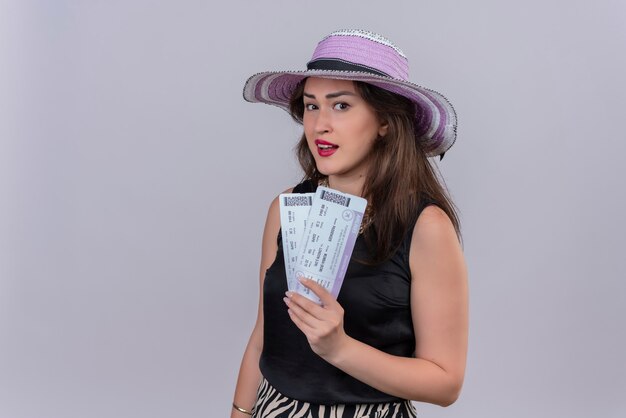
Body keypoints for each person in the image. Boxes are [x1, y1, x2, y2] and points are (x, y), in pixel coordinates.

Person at [231, 29, 468, 418]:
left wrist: (340, 348)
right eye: (311, 106)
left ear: (385, 122)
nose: (319, 125)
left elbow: (446, 383)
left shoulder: (426, 226)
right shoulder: (285, 207)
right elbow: (262, 337)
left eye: (340, 106)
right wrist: (240, 411)